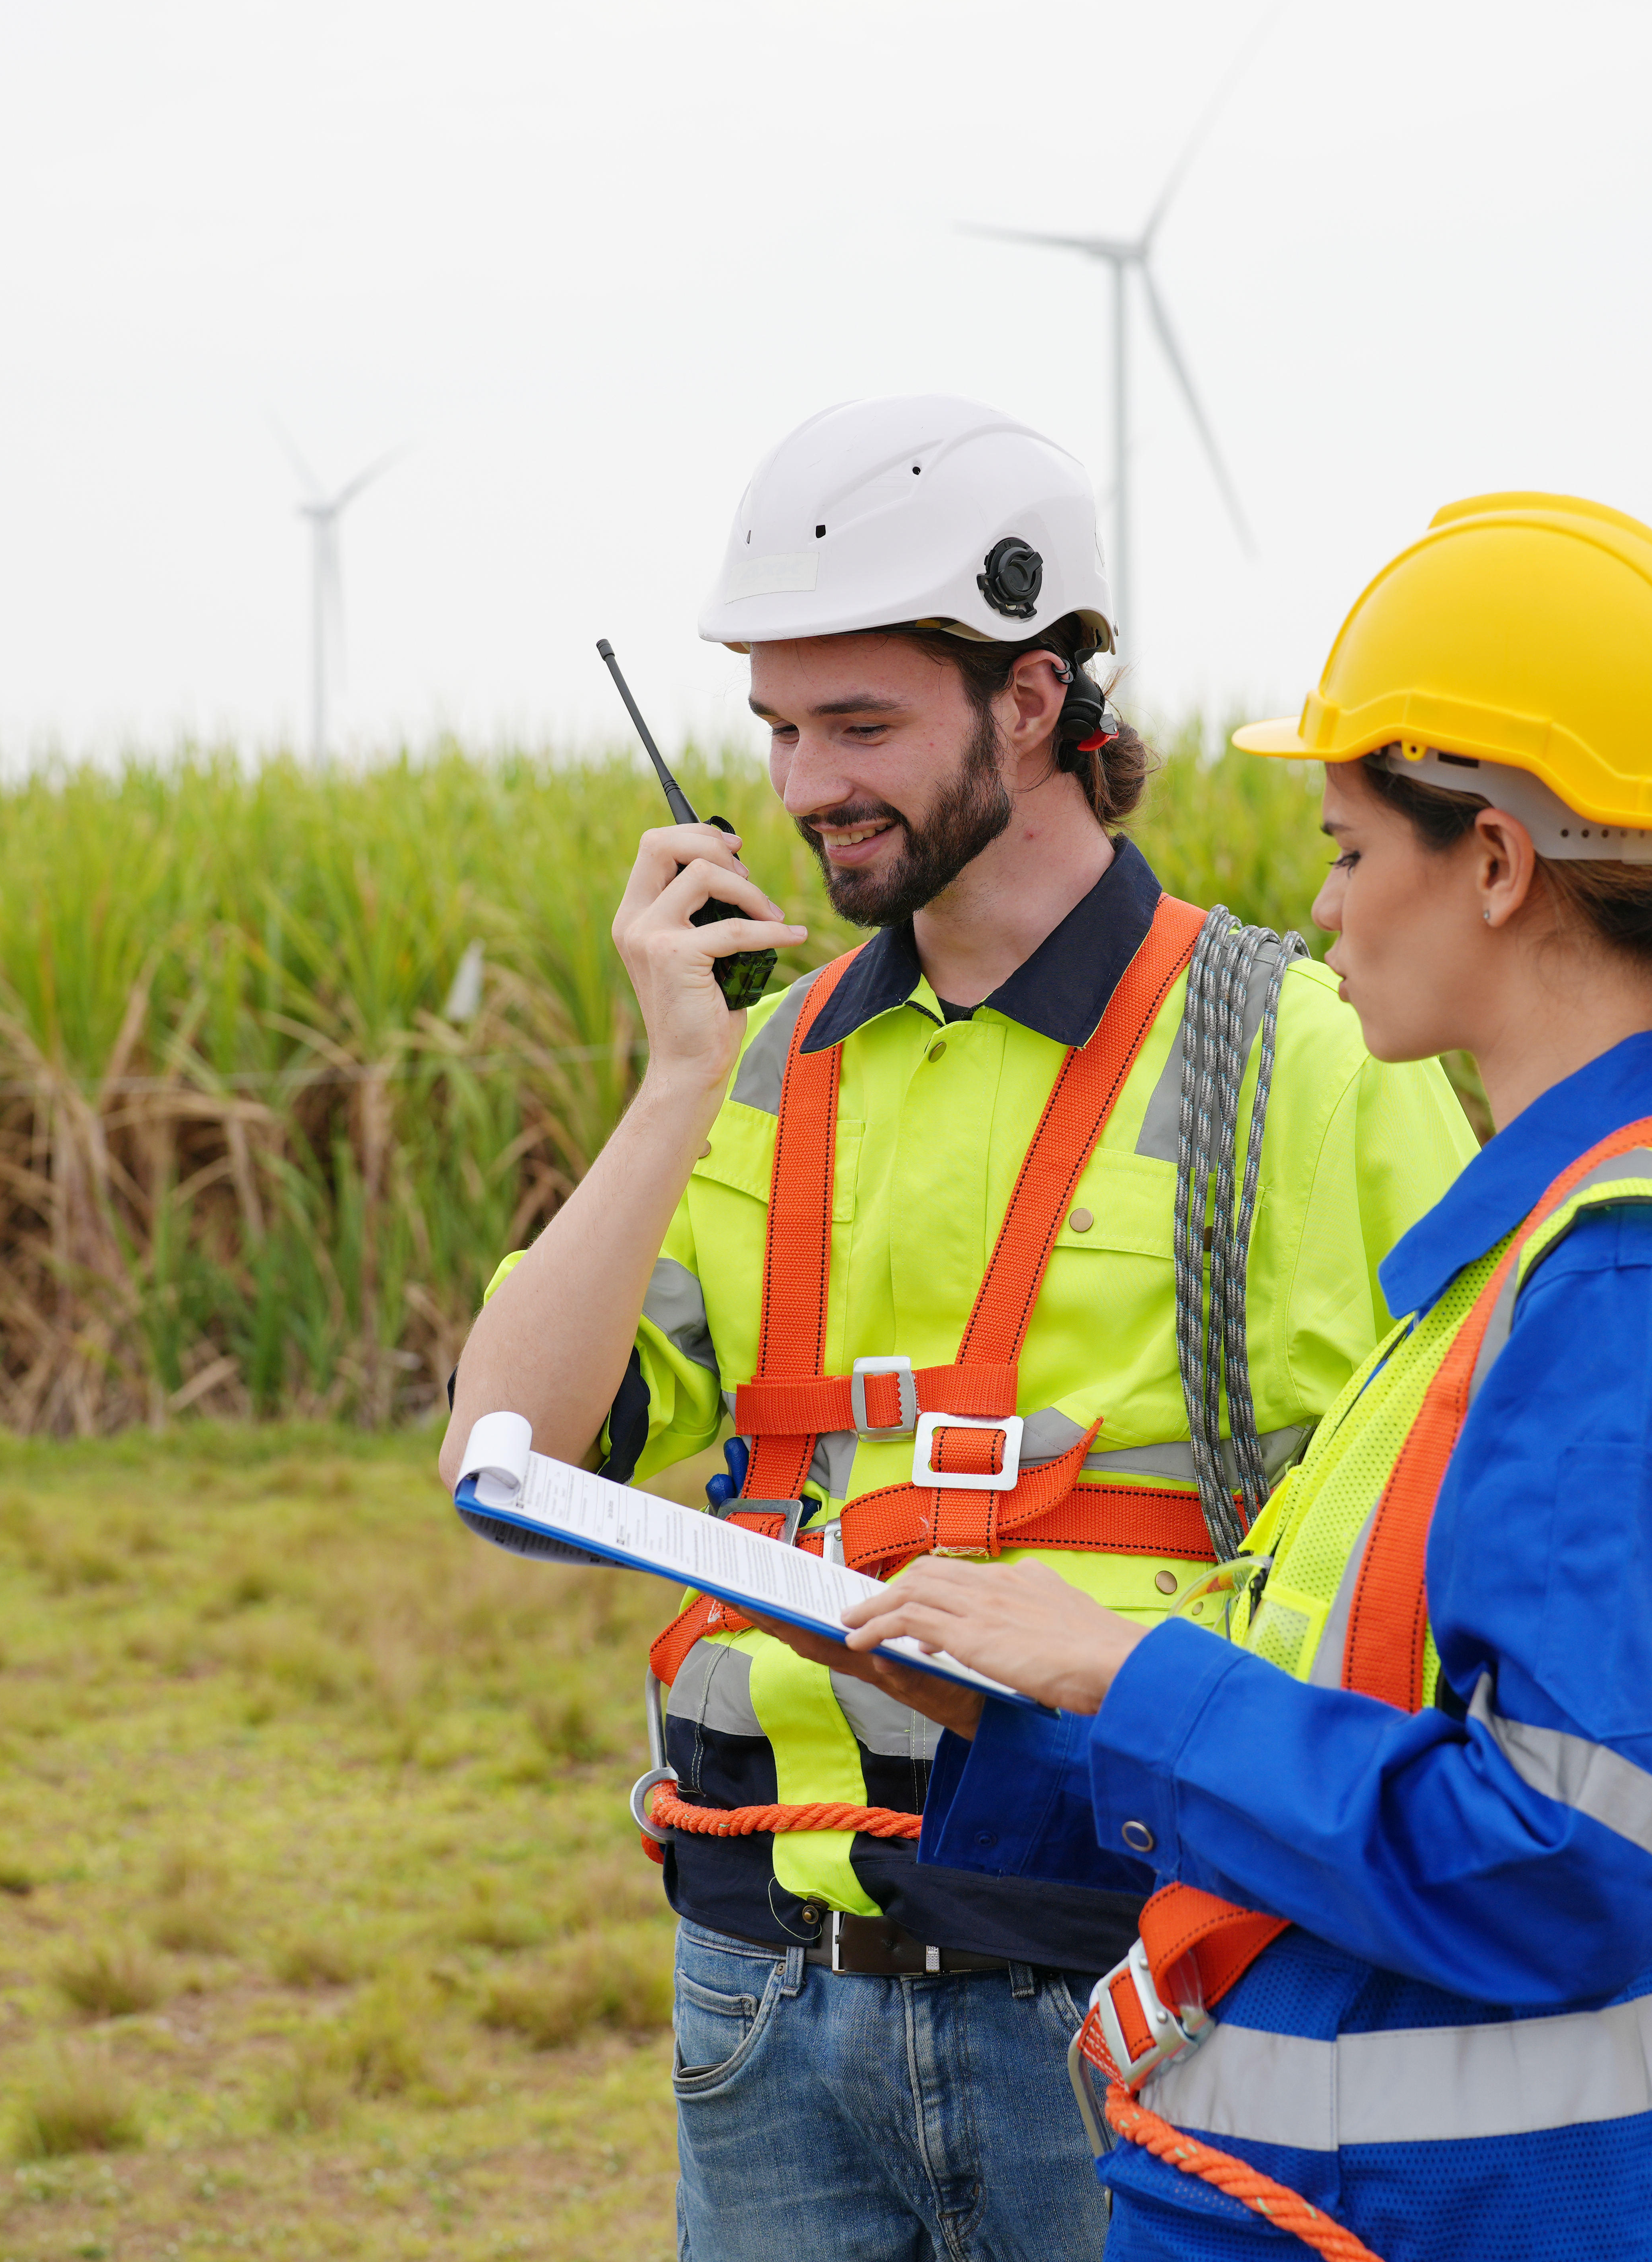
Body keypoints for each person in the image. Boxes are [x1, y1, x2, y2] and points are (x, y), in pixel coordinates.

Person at [786, 493, 1652, 2262]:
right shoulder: (1535, 1234)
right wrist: (1021, 1705)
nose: (1318, 914)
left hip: (1454, 2205)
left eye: (1345, 847)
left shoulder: (1618, 1271)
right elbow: (1369, 1691)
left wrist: (1128, 1666)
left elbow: (1556, 1850)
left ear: (1491, 861)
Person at [441, 396, 1478, 2262]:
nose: (806, 781)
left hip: (1125, 1996)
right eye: (777, 729)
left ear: (1031, 698)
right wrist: (677, 1072)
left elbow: (1436, 1548)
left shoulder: (1304, 1054)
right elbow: (503, 1441)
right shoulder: (764, 1066)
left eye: (860, 725)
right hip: (764, 2003)